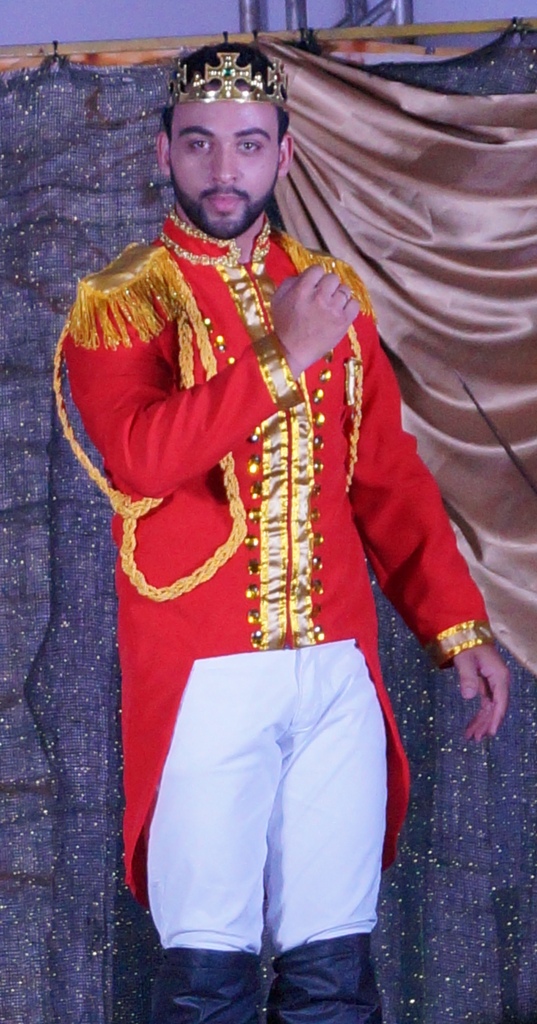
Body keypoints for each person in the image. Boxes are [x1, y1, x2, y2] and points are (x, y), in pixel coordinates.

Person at [56, 42, 510, 1024]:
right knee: (207, 981)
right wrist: (280, 353)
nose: (224, 169)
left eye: (249, 144)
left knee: (333, 975)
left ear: (285, 154)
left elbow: (385, 475)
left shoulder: (330, 291)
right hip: (204, 677)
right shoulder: (124, 299)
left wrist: (455, 624)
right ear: (163, 149)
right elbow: (140, 457)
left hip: (337, 670)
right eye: (201, 143)